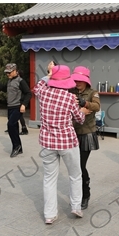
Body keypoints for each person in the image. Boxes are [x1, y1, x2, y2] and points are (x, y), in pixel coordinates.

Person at [33, 62, 90, 225]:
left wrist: (50, 73)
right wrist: (83, 113)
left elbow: (37, 86)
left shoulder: (43, 92)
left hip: (47, 141)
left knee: (49, 179)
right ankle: (76, 206)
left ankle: (49, 215)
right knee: (75, 174)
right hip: (67, 141)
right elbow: (79, 119)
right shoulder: (69, 97)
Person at [70, 66, 101, 210]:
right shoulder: (71, 92)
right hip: (72, 132)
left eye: (80, 80)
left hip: (87, 132)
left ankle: (85, 194)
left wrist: (84, 103)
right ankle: (77, 193)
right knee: (74, 166)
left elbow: (96, 106)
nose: (78, 83)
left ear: (86, 82)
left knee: (81, 165)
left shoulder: (93, 92)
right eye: (76, 80)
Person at [0, 63, 32, 157]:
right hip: (10, 107)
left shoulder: (20, 81)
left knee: (10, 125)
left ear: (15, 71)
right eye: (7, 73)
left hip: (17, 107)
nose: (8, 74)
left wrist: (24, 104)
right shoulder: (9, 81)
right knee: (14, 127)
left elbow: (28, 93)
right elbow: (4, 88)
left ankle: (16, 146)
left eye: (10, 72)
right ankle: (18, 147)